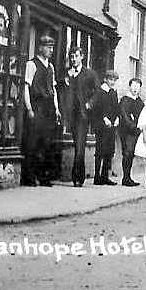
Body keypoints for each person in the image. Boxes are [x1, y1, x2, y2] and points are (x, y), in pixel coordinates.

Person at [23, 34, 61, 186]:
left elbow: (54, 89)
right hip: (37, 106)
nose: (51, 50)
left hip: (49, 109)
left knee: (47, 143)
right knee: (33, 143)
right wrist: (29, 108)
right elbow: (26, 87)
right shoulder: (31, 65)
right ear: (40, 48)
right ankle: (29, 177)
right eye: (48, 47)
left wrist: (57, 108)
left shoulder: (51, 67)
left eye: (52, 47)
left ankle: (44, 177)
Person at [59, 46, 98, 187]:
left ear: (82, 57)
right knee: (76, 144)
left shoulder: (89, 74)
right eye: (71, 57)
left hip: (82, 115)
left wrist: (90, 104)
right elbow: (61, 91)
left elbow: (97, 91)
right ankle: (77, 176)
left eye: (76, 56)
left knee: (80, 146)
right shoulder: (66, 73)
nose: (73, 59)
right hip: (70, 114)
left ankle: (78, 177)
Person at [88, 70, 120, 185]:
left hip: (111, 125)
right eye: (111, 79)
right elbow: (95, 108)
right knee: (100, 150)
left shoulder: (113, 92)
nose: (113, 82)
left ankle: (105, 176)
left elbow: (116, 107)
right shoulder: (99, 91)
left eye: (114, 80)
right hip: (101, 125)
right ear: (106, 79)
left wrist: (117, 118)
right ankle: (97, 177)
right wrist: (104, 118)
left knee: (109, 151)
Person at [118, 78, 145, 186]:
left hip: (135, 132)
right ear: (130, 86)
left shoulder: (140, 102)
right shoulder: (125, 100)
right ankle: (125, 178)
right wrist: (132, 126)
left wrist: (139, 127)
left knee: (131, 154)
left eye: (138, 87)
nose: (135, 89)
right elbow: (124, 115)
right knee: (127, 153)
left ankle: (128, 177)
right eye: (133, 86)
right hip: (126, 131)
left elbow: (142, 116)